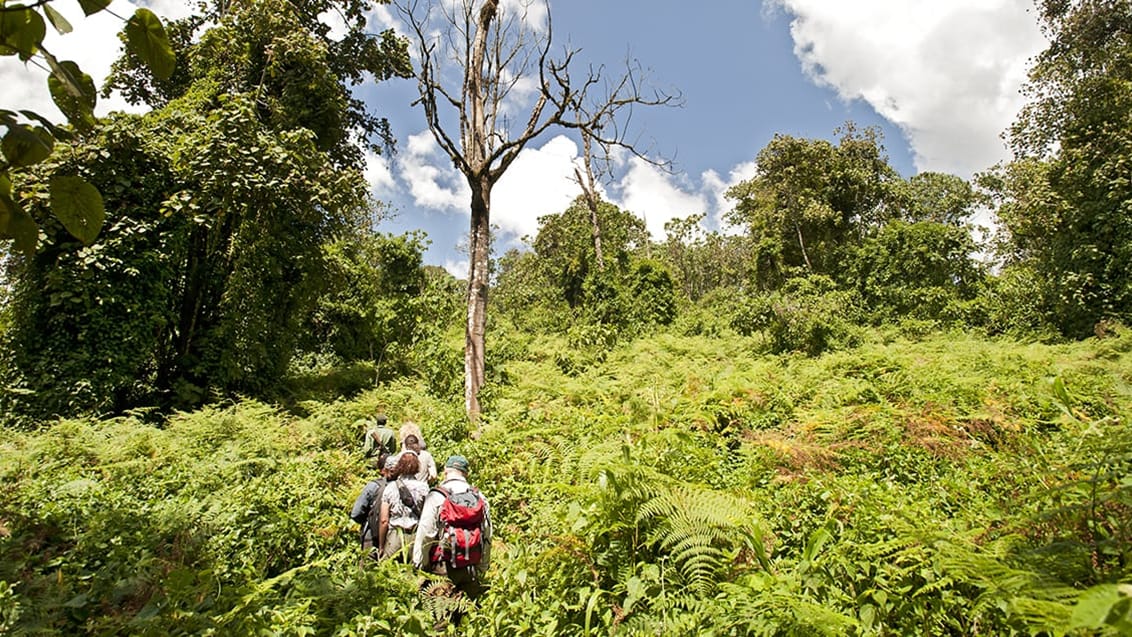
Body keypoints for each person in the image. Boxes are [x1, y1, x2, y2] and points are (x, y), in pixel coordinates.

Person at [412, 455, 492, 598]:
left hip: (442, 565)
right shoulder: (479, 497)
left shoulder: (437, 495)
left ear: (446, 471)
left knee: (441, 615)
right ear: (466, 473)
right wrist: (482, 566)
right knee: (466, 615)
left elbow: (426, 532)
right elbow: (487, 533)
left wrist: (420, 563)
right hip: (470, 567)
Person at [376, 452, 429, 562]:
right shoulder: (424, 488)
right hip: (415, 535)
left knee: (388, 572)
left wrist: (381, 546)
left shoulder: (390, 488)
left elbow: (384, 520)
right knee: (414, 573)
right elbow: (427, 516)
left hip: (395, 535)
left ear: (399, 466)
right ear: (417, 466)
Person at [349, 453, 397, 564]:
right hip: (394, 539)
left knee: (367, 573)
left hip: (371, 534)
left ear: (384, 470)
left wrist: (367, 521)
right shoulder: (405, 488)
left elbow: (356, 513)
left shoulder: (373, 486)